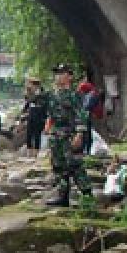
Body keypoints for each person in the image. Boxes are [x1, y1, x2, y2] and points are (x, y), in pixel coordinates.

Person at [44, 63, 93, 207]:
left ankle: (87, 196)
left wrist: (79, 134)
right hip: (56, 135)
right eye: (57, 73)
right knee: (58, 166)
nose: (58, 76)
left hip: (69, 134)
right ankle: (63, 196)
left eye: (62, 73)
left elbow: (81, 115)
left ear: (69, 76)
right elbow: (46, 108)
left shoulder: (74, 95)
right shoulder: (53, 95)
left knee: (75, 165)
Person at [22, 78, 48, 156]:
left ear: (35, 85)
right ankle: (29, 154)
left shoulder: (42, 93)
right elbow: (27, 104)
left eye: (30, 84)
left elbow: (34, 101)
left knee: (37, 135)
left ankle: (35, 154)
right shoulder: (31, 93)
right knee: (29, 135)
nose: (29, 86)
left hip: (39, 117)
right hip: (31, 116)